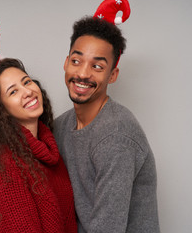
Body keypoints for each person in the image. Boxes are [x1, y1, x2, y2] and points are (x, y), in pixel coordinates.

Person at [54, 16, 160, 232]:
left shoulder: (116, 136)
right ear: (66, 63)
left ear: (112, 75)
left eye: (97, 66)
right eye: (76, 61)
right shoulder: (60, 126)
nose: (83, 73)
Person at [0, 58, 77, 232]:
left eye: (26, 82)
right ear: (1, 109)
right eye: (13, 92)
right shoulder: (4, 167)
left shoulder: (48, 149)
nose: (27, 91)